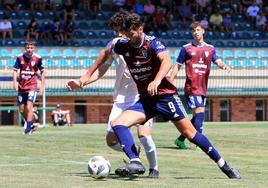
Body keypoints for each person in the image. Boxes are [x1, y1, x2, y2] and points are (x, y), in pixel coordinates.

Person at [84, 11, 240, 179]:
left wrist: (157, 80)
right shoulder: (123, 44)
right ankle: (135, 161)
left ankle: (224, 164)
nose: (129, 37)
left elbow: (167, 61)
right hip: (147, 100)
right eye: (127, 33)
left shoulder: (152, 43)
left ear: (140, 29)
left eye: (132, 33)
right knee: (118, 123)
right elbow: (105, 53)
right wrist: (86, 76)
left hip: (166, 97)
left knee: (191, 134)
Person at [66, 11, 159, 178]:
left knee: (144, 134)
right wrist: (82, 82)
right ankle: (133, 150)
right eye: (115, 31)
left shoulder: (145, 43)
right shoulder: (115, 46)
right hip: (121, 99)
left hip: (142, 96)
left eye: (120, 30)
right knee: (111, 140)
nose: (117, 34)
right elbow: (101, 69)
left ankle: (154, 169)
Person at [169, 21, 231, 150]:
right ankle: (199, 142)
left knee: (197, 115)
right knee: (200, 112)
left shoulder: (210, 48)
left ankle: (180, 140)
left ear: (203, 31)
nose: (196, 32)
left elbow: (217, 60)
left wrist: (223, 65)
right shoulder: (186, 48)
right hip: (192, 87)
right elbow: (178, 66)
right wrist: (170, 80)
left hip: (203, 87)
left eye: (198, 30)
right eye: (193, 30)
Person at [13, 40, 45, 135]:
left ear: (34, 48)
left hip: (32, 86)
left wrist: (42, 86)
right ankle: (30, 124)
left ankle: (27, 130)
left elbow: (43, 72)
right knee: (22, 110)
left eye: (31, 47)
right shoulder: (19, 57)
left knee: (29, 106)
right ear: (25, 48)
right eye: (28, 47)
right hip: (21, 87)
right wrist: (15, 83)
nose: (29, 49)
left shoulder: (38, 58)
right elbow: (15, 70)